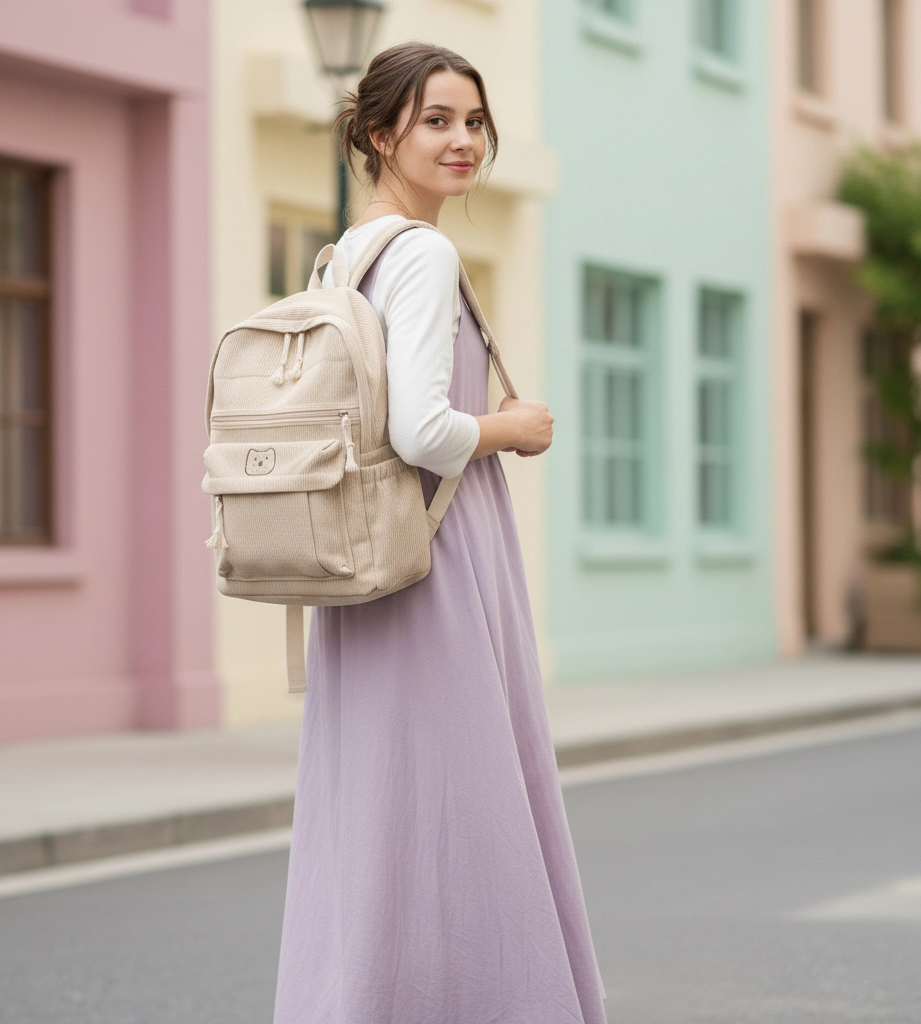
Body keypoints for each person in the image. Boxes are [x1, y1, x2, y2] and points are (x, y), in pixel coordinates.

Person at [272, 41, 608, 1024]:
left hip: (365, 570)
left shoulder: (347, 253)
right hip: (434, 564)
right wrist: (513, 429)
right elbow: (419, 431)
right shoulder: (420, 253)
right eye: (436, 121)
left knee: (381, 819)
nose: (463, 140)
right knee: (466, 811)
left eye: (473, 122)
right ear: (380, 135)